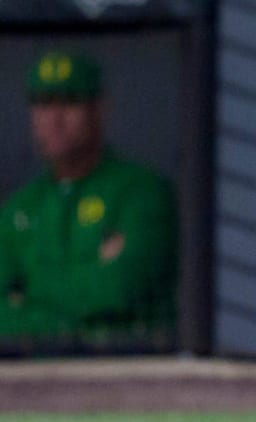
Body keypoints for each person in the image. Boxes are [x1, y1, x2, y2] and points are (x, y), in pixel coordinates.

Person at [0, 49, 178, 351]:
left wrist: (29, 293)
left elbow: (119, 290)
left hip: (128, 370)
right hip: (33, 379)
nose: (54, 119)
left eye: (69, 102)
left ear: (99, 109)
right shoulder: (19, 207)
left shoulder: (141, 192)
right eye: (44, 104)